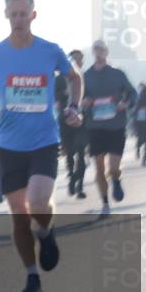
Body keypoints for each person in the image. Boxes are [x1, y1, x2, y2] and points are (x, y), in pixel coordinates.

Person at [0, 0, 83, 292]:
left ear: (34, 16)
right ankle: (32, 277)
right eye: (13, 14)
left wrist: (75, 107)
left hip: (44, 141)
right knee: (19, 213)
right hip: (9, 145)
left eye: (24, 14)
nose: (18, 19)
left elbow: (75, 77)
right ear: (6, 15)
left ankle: (45, 233)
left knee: (37, 200)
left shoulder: (50, 50)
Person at [82, 40, 138, 217]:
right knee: (99, 169)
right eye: (96, 50)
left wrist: (125, 103)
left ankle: (116, 178)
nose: (98, 53)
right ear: (93, 52)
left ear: (107, 52)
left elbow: (133, 93)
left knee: (113, 167)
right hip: (95, 126)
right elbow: (78, 99)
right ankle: (105, 203)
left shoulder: (117, 74)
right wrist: (84, 102)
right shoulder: (86, 76)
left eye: (101, 50)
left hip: (116, 125)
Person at [56, 50, 90, 198]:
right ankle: (71, 176)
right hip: (65, 120)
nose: (77, 62)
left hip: (83, 121)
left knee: (82, 153)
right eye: (74, 60)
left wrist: (88, 101)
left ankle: (80, 185)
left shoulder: (86, 77)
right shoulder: (59, 79)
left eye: (79, 60)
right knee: (69, 152)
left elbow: (93, 94)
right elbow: (54, 95)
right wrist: (63, 96)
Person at [134, 81, 146, 166]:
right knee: (141, 139)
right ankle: (138, 149)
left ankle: (144, 158)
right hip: (140, 122)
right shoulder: (139, 96)